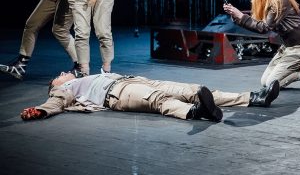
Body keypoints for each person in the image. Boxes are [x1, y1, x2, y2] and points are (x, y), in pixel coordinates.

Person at [20, 72, 280, 122]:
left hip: (134, 80)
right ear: (55, 85)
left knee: (193, 90)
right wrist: (42, 110)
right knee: (159, 100)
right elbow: (56, 102)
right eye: (59, 75)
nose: (63, 73)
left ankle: (254, 98)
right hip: (118, 93)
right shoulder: (65, 88)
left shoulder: (83, 77)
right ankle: (195, 112)